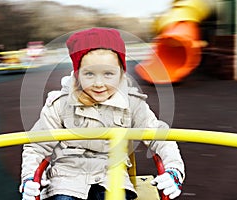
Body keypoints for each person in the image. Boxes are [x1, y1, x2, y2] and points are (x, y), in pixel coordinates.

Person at [20, 27, 185, 200]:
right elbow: (36, 146)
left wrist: (174, 170)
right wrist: (29, 178)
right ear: (77, 74)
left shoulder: (132, 103)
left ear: (121, 72)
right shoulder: (60, 104)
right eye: (89, 74)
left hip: (113, 177)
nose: (99, 83)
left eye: (108, 74)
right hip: (67, 178)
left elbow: (160, 137)